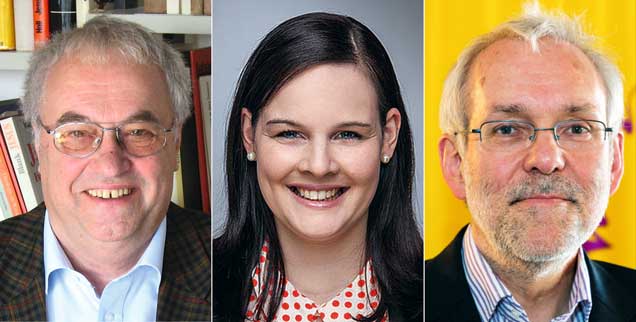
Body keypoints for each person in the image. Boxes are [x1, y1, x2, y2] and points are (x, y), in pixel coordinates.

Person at [426, 4, 636, 322]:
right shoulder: (402, 305)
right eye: (507, 129)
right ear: (456, 162)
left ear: (614, 161)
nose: (547, 159)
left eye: (577, 128)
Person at [214, 12, 422, 322]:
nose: (319, 166)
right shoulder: (207, 288)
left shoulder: (434, 296)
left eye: (348, 134)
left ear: (388, 136)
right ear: (249, 135)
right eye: (289, 134)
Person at [0, 17, 210, 321]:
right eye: (76, 133)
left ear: (175, 142)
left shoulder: (232, 270)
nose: (110, 165)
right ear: (36, 147)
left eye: (139, 132)